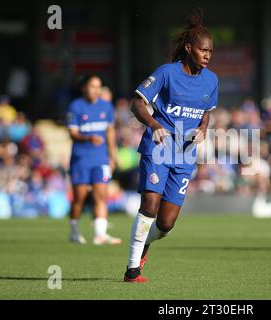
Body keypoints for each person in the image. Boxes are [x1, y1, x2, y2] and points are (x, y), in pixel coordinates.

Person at [124, 12, 217, 282]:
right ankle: (132, 269)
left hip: (185, 154)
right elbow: (137, 103)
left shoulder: (211, 80)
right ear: (189, 48)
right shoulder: (166, 73)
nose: (208, 55)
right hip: (158, 147)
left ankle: (146, 243)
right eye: (203, 49)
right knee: (149, 205)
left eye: (211, 51)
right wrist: (154, 125)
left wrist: (203, 129)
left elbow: (206, 111)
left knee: (165, 224)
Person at [66, 74, 121, 245]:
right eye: (92, 86)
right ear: (84, 88)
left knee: (101, 195)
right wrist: (88, 139)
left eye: (98, 86)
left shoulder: (106, 106)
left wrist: (113, 154)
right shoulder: (75, 106)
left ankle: (100, 234)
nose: (95, 90)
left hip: (100, 159)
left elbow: (110, 131)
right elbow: (72, 133)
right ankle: (74, 231)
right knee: (79, 199)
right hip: (81, 159)